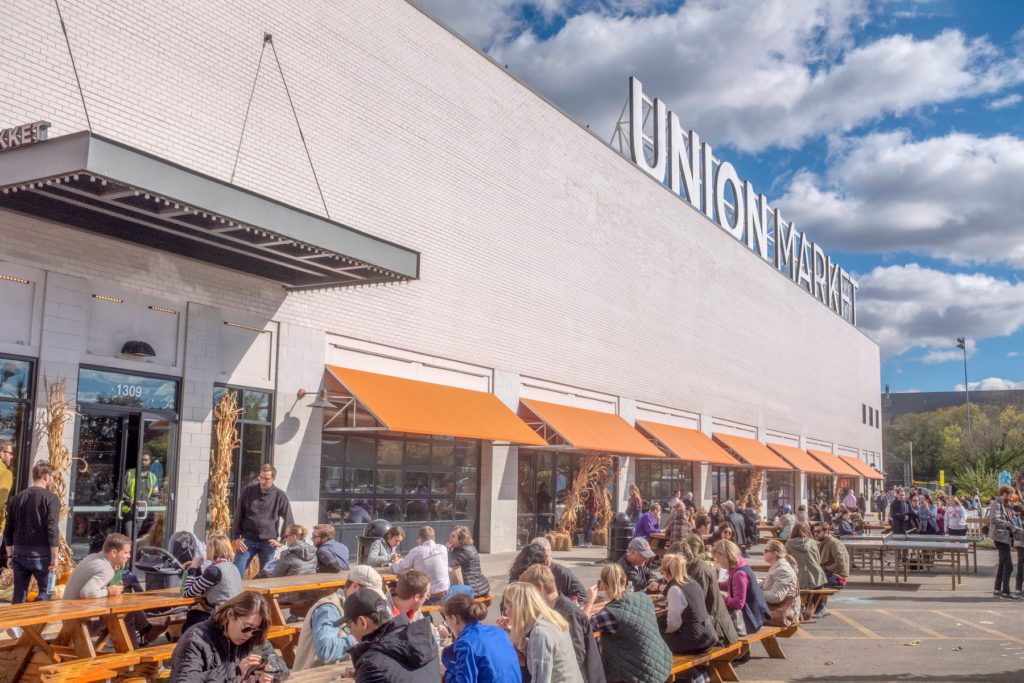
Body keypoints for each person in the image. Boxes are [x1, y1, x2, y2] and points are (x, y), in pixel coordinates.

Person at [65, 533, 165, 644]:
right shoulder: (106, 569)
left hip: (71, 617)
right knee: (127, 613)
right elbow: (86, 593)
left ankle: (147, 632)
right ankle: (133, 652)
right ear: (114, 553)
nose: (129, 556)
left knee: (127, 609)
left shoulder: (93, 558)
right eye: (126, 553)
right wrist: (109, 591)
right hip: (81, 622)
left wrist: (109, 588)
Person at [584, 563, 672, 683]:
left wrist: (590, 602)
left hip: (637, 674)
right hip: (662, 664)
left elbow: (581, 626)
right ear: (625, 581)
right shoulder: (644, 598)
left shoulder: (609, 613)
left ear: (604, 585)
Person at [171, 590, 285, 682]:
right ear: (230, 614)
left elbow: (280, 665)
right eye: (247, 627)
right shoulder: (196, 639)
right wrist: (234, 672)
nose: (249, 634)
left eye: (255, 630)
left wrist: (269, 671)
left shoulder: (254, 638)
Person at [519, 564, 604, 683]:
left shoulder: (568, 614)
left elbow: (575, 657)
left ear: (539, 589)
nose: (526, 600)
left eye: (528, 594)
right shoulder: (557, 609)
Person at [292, 564, 386, 670]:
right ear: (355, 586)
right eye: (369, 594)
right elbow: (326, 651)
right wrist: (360, 636)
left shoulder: (358, 608)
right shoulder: (329, 608)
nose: (372, 599)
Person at [344, 587, 441, 681]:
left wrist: (364, 672)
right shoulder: (426, 639)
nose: (351, 632)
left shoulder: (371, 665)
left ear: (362, 622)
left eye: (349, 627)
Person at [4, 460, 60, 604]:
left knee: (19, 594)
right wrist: (55, 555)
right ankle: (33, 623)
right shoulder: (51, 498)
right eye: (53, 477)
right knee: (47, 591)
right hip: (41, 555)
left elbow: (8, 529)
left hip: (19, 553)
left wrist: (10, 555)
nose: (53, 480)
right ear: (46, 476)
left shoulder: (16, 498)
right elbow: (52, 528)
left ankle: (16, 626)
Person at [440, 592, 521, 683]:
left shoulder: (465, 644)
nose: (448, 624)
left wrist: (447, 674)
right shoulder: (499, 631)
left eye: (447, 620)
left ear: (454, 619)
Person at [232, 463, 294, 576]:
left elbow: (289, 519)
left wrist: (281, 541)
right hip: (247, 541)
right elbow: (238, 515)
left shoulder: (279, 495)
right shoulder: (248, 491)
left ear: (273, 478)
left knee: (267, 577)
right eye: (261, 477)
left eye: (266, 479)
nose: (262, 481)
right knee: (235, 574)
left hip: (268, 543)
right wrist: (236, 537)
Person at [677, 540, 737, 647]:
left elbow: (697, 604)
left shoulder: (699, 571)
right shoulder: (692, 567)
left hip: (717, 631)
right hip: (711, 624)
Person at [181, 534, 243, 632]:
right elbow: (200, 587)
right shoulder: (233, 567)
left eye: (207, 546)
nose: (205, 550)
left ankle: (187, 645)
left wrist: (193, 568)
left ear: (214, 548)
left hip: (222, 619)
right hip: (237, 616)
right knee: (195, 614)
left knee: (192, 616)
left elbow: (187, 593)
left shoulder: (214, 571)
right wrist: (196, 568)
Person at [658, 554, 717, 656]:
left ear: (666, 572)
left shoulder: (675, 589)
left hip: (695, 641)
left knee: (654, 639)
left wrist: (663, 631)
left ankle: (676, 671)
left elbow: (673, 625)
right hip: (708, 634)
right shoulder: (692, 582)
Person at [711, 539, 770, 639]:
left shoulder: (739, 574)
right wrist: (715, 585)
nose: (717, 562)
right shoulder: (740, 566)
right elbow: (732, 585)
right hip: (755, 615)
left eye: (718, 558)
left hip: (749, 620)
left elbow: (738, 603)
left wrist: (720, 597)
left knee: (714, 627)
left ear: (725, 556)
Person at [390, 525, 449, 601]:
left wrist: (394, 563)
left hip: (425, 595)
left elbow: (398, 569)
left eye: (417, 539)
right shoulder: (443, 549)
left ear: (420, 538)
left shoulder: (416, 551)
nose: (417, 541)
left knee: (401, 589)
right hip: (443, 593)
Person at [527, 536, 588, 603]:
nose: (544, 560)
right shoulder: (526, 572)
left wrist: (559, 603)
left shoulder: (561, 572)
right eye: (540, 557)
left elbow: (581, 594)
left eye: (546, 556)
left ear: (551, 555)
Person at [760, 540, 800, 626]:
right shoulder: (777, 566)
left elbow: (776, 596)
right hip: (775, 609)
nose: (764, 553)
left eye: (766, 551)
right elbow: (766, 584)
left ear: (774, 554)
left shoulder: (782, 570)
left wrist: (756, 593)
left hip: (784, 614)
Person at [813, 523, 850, 614]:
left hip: (838, 577)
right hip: (827, 575)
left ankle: (821, 608)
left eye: (818, 531)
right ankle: (811, 607)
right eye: (814, 532)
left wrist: (825, 569)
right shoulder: (822, 543)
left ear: (827, 531)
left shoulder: (834, 543)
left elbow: (840, 564)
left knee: (814, 584)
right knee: (807, 581)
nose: (815, 534)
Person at [989, 484, 1017, 599]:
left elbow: (1011, 511)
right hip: (999, 537)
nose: (1011, 497)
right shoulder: (996, 504)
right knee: (1008, 565)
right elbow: (994, 519)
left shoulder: (1004, 504)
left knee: (1002, 564)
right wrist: (1008, 525)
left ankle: (997, 589)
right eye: (1009, 494)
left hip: (1003, 537)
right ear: (1004, 493)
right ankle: (1006, 592)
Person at [448, 526, 489, 597]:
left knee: (447, 595)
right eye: (450, 536)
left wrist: (447, 549)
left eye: (453, 536)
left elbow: (447, 563)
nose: (450, 539)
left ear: (461, 539)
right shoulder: (468, 547)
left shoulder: (464, 551)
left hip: (474, 589)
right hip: (480, 586)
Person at [785, 523, 828, 590]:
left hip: (798, 579)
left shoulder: (789, 544)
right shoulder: (813, 542)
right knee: (817, 599)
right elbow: (818, 560)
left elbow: (786, 561)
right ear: (807, 531)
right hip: (817, 579)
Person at [0, 440, 14, 539]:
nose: (12, 456)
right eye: (10, 453)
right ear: (2, 453)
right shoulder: (5, 473)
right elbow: (1, 500)